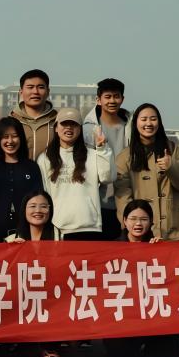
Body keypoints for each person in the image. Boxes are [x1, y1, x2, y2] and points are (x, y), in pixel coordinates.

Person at [104, 200, 179, 357]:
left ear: (151, 222)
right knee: (119, 354)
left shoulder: (158, 245)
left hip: (152, 310)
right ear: (124, 221)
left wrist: (162, 251)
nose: (138, 223)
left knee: (166, 354)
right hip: (124, 311)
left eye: (144, 219)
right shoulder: (111, 248)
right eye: (133, 219)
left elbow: (171, 279)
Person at [114, 103, 179, 241]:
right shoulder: (125, 157)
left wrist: (171, 166)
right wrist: (132, 226)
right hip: (143, 234)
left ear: (159, 122)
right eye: (144, 119)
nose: (149, 123)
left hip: (174, 230)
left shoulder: (173, 150)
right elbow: (123, 196)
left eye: (153, 119)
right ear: (135, 123)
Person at [37, 107, 112, 240]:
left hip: (89, 227)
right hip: (58, 228)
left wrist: (102, 149)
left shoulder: (93, 154)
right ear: (56, 128)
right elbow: (44, 193)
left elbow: (108, 177)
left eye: (74, 124)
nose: (69, 128)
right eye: (64, 124)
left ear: (80, 129)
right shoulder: (45, 158)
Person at [4, 190, 62, 357]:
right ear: (24, 210)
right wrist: (12, 253)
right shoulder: (11, 239)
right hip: (21, 294)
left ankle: (50, 346)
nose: (38, 210)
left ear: (50, 210)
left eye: (44, 206)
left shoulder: (61, 237)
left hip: (51, 293)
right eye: (33, 206)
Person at [0, 117, 42, 242]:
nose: (10, 141)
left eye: (14, 136)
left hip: (24, 232)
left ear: (21, 138)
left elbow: (37, 198)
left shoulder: (31, 167)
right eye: (5, 137)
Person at [81, 78, 129, 239]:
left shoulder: (131, 127)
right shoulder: (88, 130)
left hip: (127, 199)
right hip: (97, 201)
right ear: (98, 100)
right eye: (107, 97)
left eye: (116, 96)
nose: (112, 101)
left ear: (122, 98)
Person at [8, 69, 57, 160]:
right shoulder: (10, 121)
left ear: (48, 91)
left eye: (41, 87)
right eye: (30, 87)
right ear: (21, 92)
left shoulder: (58, 121)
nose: (35, 91)